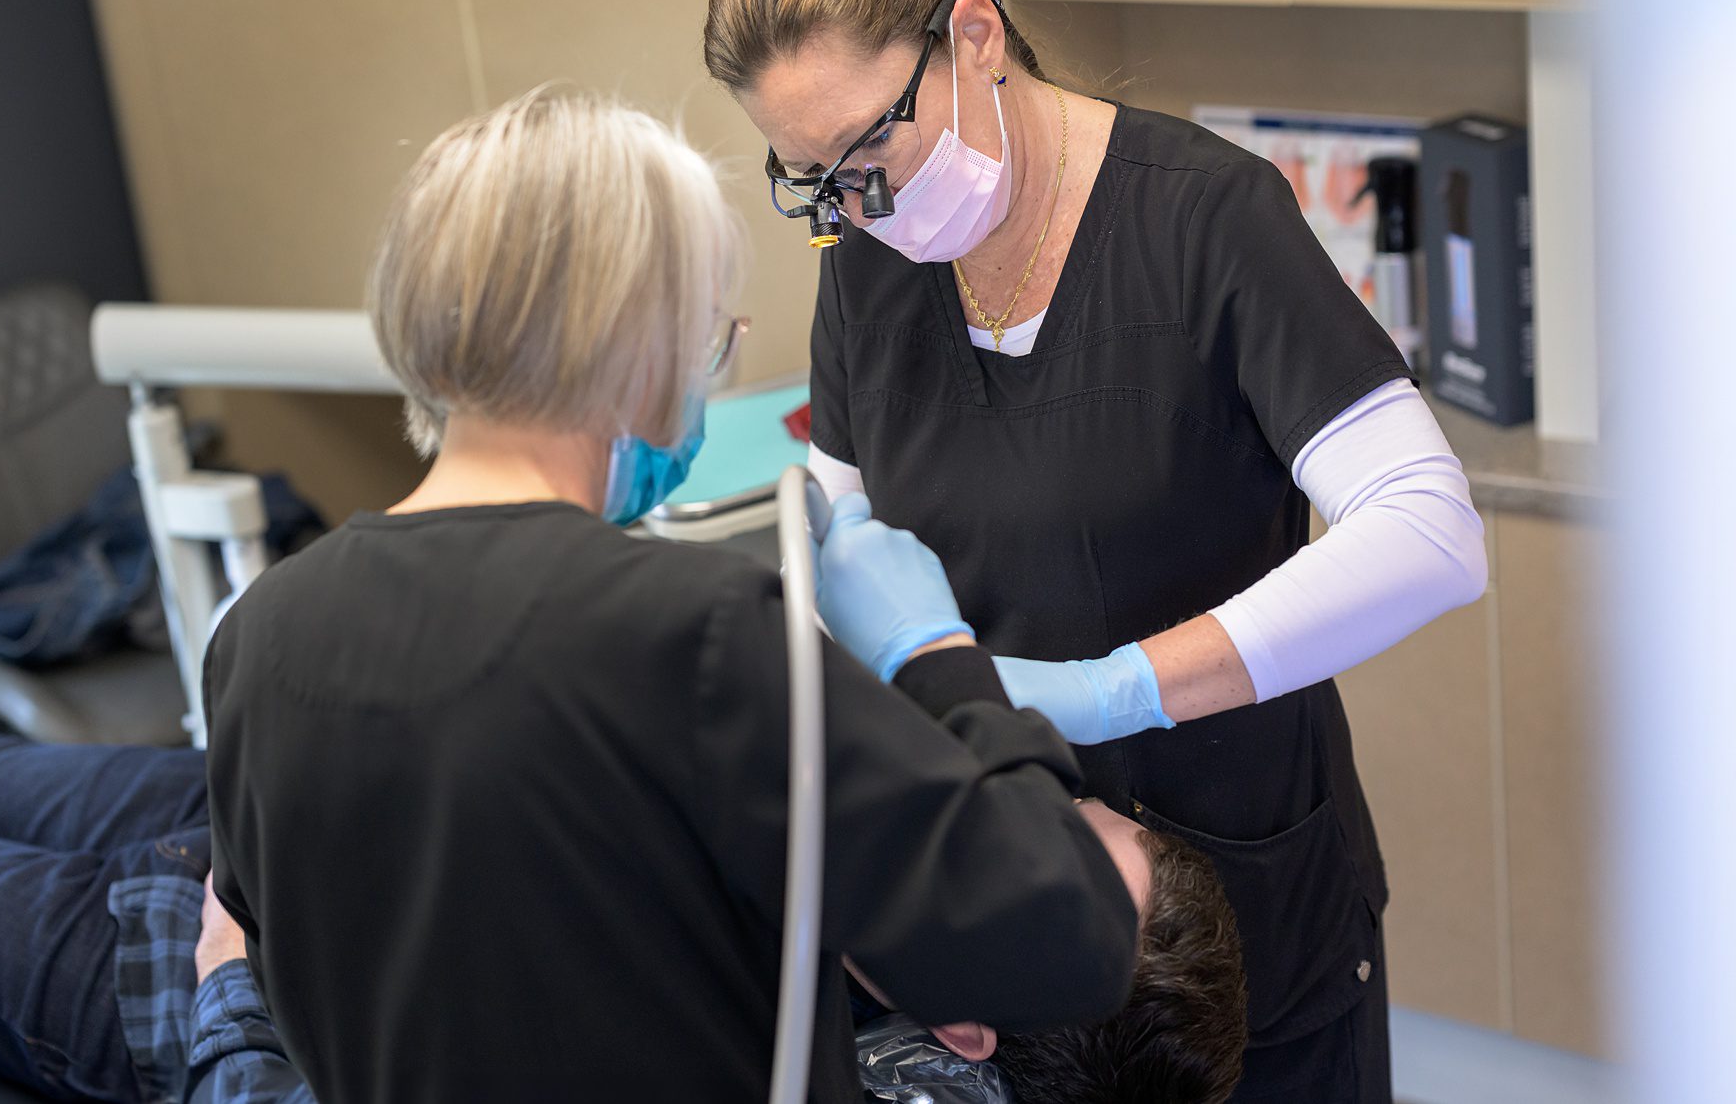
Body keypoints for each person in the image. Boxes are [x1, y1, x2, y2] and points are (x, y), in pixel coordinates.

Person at [202, 85, 1180, 1103]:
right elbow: (1067, 942)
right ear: (636, 342)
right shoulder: (693, 636)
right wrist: (938, 660)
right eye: (706, 336)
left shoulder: (259, 638)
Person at [705, 0, 1490, 1101]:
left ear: (973, 35)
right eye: (809, 176)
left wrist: (1110, 691)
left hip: (1237, 908)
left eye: (865, 147)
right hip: (1012, 929)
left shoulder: (1203, 221)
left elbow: (1429, 532)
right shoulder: (868, 257)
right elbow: (839, 533)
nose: (852, 204)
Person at [0, 727, 1245, 1104]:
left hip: (174, 975)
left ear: (970, 1025)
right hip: (254, 822)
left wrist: (230, 986)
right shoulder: (882, 889)